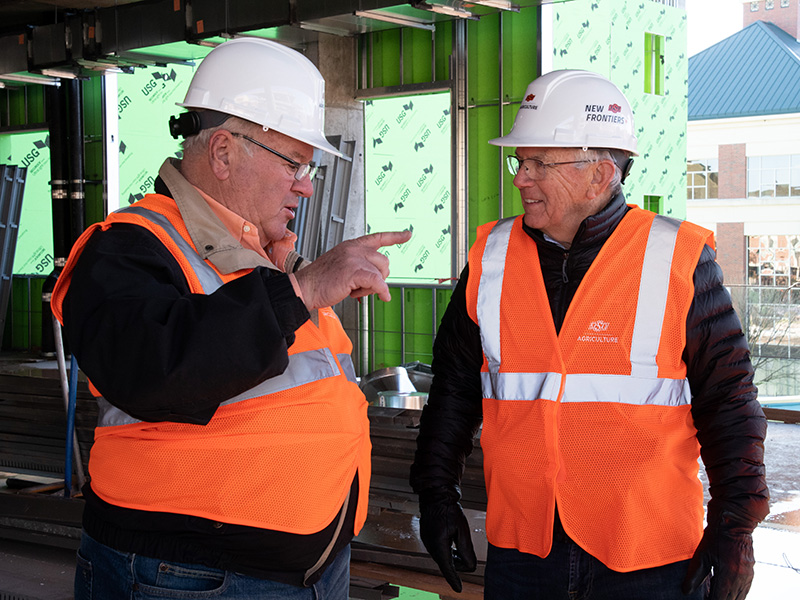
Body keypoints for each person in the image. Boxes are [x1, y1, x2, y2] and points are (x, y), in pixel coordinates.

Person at [51, 37, 410, 600]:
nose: (307, 184)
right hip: (188, 577)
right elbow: (154, 367)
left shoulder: (263, 257)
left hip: (308, 566)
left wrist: (290, 278)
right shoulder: (129, 248)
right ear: (222, 152)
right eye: (294, 162)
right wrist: (303, 288)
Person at [410, 69, 769, 600]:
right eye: (519, 161)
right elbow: (455, 388)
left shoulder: (679, 260)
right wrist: (436, 494)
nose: (519, 179)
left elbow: (729, 401)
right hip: (525, 555)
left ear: (601, 174)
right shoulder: (491, 259)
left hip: (647, 557)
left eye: (537, 164)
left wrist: (735, 527)